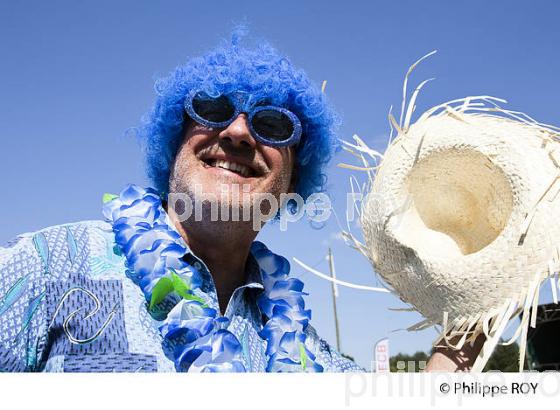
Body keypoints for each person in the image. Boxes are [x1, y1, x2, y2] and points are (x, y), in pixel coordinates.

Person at [0, 31, 480, 372]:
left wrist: (472, 318)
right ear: (174, 144)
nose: (237, 132)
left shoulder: (302, 347)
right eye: (212, 109)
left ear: (292, 180)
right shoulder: (47, 267)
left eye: (272, 126)